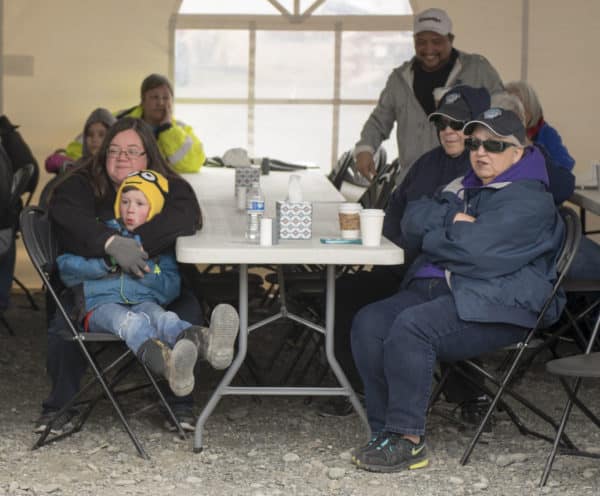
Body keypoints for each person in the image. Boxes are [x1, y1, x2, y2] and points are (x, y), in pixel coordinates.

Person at [349, 107, 566, 473]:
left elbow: (477, 253)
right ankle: (385, 431)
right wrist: (453, 221)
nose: (481, 152)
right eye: (476, 143)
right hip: (450, 288)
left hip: (500, 301)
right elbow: (412, 216)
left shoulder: (528, 199)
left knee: (413, 328)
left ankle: (408, 439)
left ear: (520, 152)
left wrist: (438, 238)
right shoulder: (469, 184)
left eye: (494, 145)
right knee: (369, 322)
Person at [35, 117, 217, 434]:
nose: (122, 157)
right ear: (103, 154)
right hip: (97, 291)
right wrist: (110, 244)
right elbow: (66, 216)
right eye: (114, 150)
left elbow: (187, 216)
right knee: (63, 323)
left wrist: (133, 245)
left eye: (133, 151)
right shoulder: (80, 184)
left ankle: (180, 402)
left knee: (186, 307)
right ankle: (59, 406)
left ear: (149, 157)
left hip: (154, 289)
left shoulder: (169, 186)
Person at [55, 170, 239, 397]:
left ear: (154, 209)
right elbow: (67, 268)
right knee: (130, 323)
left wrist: (148, 271)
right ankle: (170, 367)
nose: (130, 209)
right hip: (99, 305)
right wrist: (108, 262)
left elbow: (170, 286)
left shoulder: (157, 247)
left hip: (144, 301)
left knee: (165, 318)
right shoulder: (102, 235)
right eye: (125, 201)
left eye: (140, 204)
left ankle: (210, 344)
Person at [354, 7, 504, 182]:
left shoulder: (477, 69)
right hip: (413, 181)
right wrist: (365, 148)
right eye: (421, 41)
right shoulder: (400, 79)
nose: (428, 48)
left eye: (436, 41)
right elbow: (379, 120)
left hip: (465, 181)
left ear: (450, 39)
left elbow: (502, 112)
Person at [62, 74, 205, 173]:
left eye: (166, 98)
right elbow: (79, 148)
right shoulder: (118, 121)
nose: (161, 103)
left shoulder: (180, 129)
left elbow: (192, 164)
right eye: (155, 97)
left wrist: (167, 129)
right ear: (142, 101)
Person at [505, 80, 575, 171]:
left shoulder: (546, 133)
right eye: (509, 109)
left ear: (531, 109)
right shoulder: (496, 133)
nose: (515, 114)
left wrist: (533, 148)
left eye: (520, 108)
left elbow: (566, 165)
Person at [45, 108, 116, 174]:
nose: (95, 139)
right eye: (90, 134)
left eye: (101, 135)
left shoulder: (121, 169)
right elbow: (50, 163)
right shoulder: (78, 168)